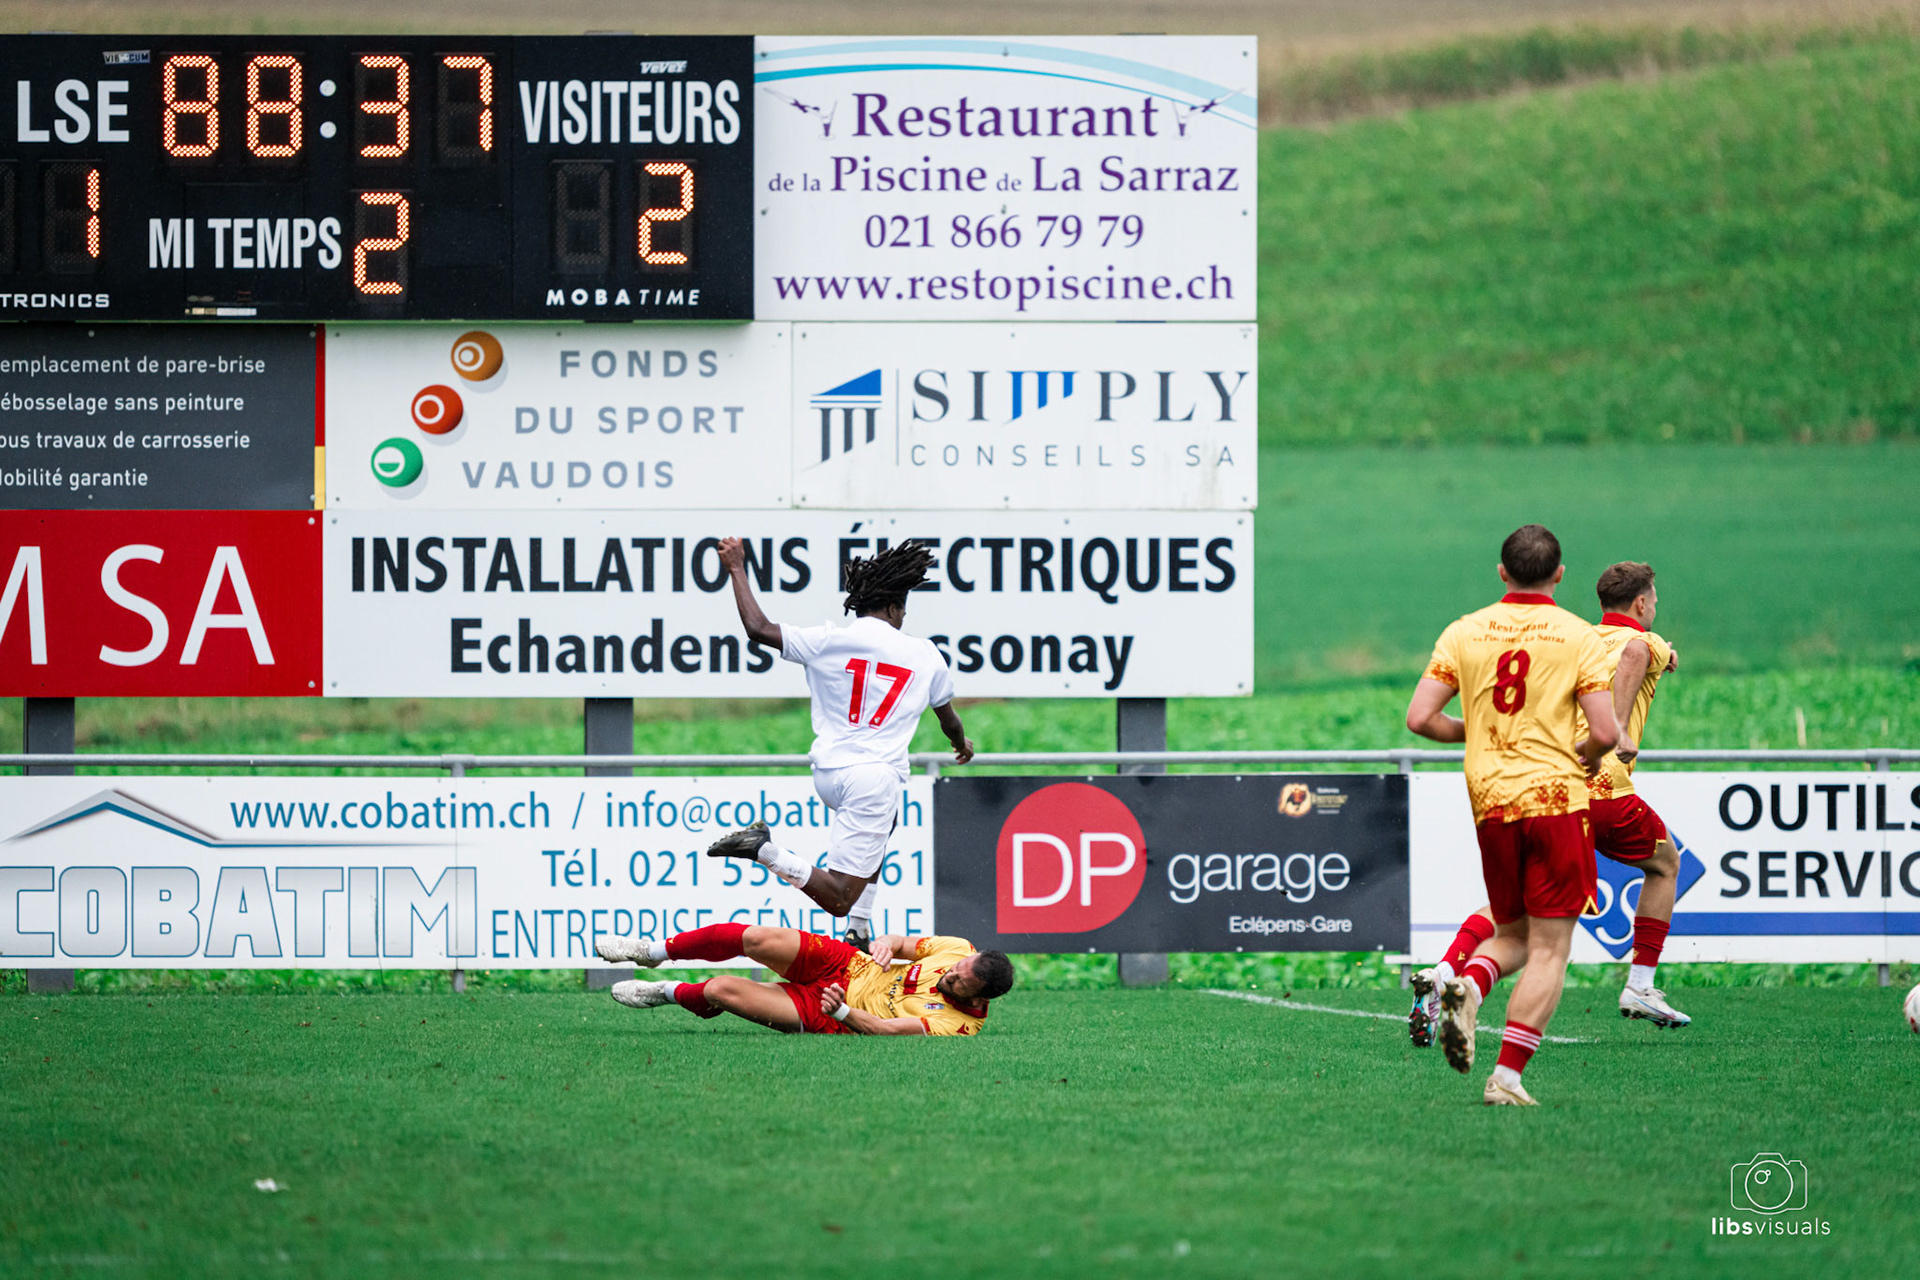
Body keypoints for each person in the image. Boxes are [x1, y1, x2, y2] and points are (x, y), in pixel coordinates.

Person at [1406, 561, 1689, 1049]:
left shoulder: (1579, 637)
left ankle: (1445, 971)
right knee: (1665, 865)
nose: (1655, 607)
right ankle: (1640, 985)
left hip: (1549, 792)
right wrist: (1620, 725)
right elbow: (1636, 654)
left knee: (1511, 908)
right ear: (1641, 603)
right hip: (1606, 791)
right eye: (1654, 600)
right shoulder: (1645, 640)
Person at [1404, 524, 1619, 1105]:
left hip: (1491, 800)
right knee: (1550, 947)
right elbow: (1605, 731)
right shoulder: (1580, 637)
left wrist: (1473, 732)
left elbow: (1421, 719)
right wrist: (1587, 755)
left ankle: (1469, 984)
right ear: (1559, 574)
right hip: (1554, 799)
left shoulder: (1464, 631)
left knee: (1513, 933)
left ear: (1502, 572)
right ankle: (1507, 1078)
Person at [696, 537, 973, 950]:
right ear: (895, 608)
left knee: (886, 824)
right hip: (872, 778)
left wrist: (736, 568)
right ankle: (765, 851)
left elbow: (758, 629)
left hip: (829, 774)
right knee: (839, 897)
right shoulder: (924, 653)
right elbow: (947, 718)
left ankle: (859, 931)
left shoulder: (828, 640)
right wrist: (961, 743)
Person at [598, 921, 1013, 1036]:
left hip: (830, 1012)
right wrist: (886, 945)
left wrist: (843, 1009)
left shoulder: (959, 1026)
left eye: (958, 984)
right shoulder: (959, 948)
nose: (948, 978)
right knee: (756, 938)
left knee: (721, 989)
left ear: (979, 999)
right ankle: (650, 952)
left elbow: (884, 1030)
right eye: (955, 971)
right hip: (847, 964)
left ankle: (665, 993)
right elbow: (901, 942)